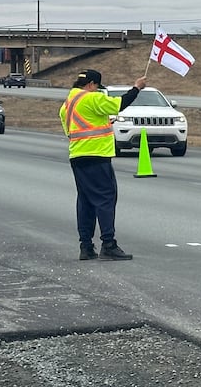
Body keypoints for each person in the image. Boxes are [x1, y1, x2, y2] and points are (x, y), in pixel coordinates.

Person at [59, 69, 147, 261]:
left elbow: (71, 131)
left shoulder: (67, 104)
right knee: (106, 198)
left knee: (85, 201)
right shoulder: (91, 98)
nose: (98, 89)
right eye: (97, 86)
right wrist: (136, 88)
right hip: (97, 156)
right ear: (91, 84)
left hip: (78, 156)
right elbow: (119, 104)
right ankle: (108, 244)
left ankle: (86, 246)